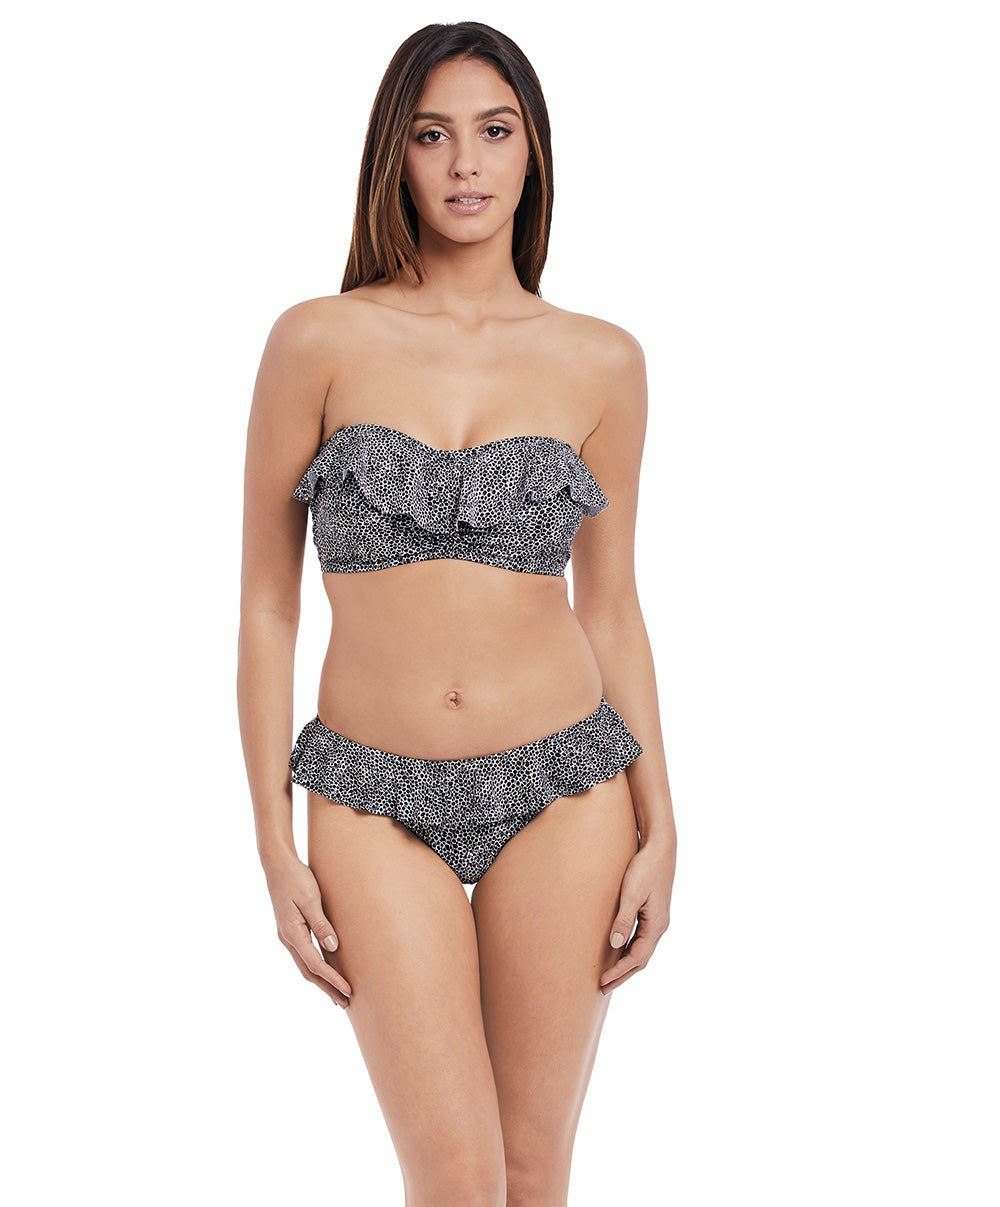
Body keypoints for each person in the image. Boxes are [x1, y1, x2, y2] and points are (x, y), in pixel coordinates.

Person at [237, 19, 677, 1206]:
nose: (466, 163)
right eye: (433, 135)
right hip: (368, 793)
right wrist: (271, 838)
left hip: (566, 787)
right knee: (454, 1176)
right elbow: (267, 606)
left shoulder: (603, 360)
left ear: (534, 153)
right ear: (396, 153)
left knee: (532, 1172)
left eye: (495, 131)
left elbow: (613, 607)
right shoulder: (317, 339)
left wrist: (663, 823)